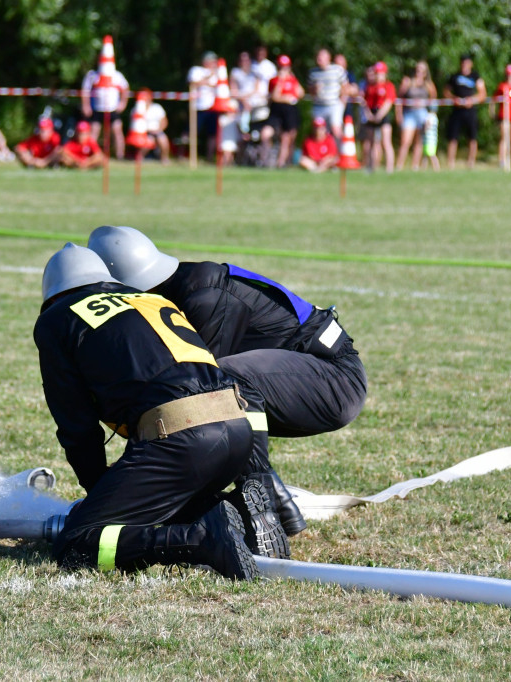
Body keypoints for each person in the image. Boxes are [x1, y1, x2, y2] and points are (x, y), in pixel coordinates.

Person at [88, 225, 369, 537]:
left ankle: (264, 498)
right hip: (306, 374)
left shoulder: (203, 295)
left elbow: (197, 395)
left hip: (334, 379)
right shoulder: (183, 286)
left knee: (218, 387)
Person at [35, 243, 290, 580]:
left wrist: (98, 496)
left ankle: (200, 538)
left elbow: (77, 427)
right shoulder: (151, 299)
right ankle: (219, 514)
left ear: (51, 297)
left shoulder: (57, 318)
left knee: (76, 544)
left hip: (182, 439)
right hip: (236, 429)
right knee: (158, 501)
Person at [444, 53, 487, 169]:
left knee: (472, 137)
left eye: (467, 62)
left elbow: (483, 94)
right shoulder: (454, 76)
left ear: (471, 64)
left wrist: (472, 100)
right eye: (463, 62)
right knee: (453, 137)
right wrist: (454, 99)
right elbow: (446, 92)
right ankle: (450, 163)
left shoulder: (475, 76)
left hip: (470, 110)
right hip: (457, 110)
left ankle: (471, 162)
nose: (464, 64)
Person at [81, 59, 130, 161]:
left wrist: (123, 103)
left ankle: (120, 156)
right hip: (97, 108)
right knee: (94, 132)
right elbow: (85, 91)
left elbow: (125, 89)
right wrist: (86, 106)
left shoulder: (117, 75)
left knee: (117, 131)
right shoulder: (92, 75)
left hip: (113, 108)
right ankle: (89, 155)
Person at [396, 60, 437, 171]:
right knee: (405, 141)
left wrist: (431, 116)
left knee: (419, 142)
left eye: (422, 70)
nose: (419, 72)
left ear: (425, 72)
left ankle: (415, 166)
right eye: (418, 69)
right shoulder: (408, 82)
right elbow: (399, 99)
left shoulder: (429, 85)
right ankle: (399, 166)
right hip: (409, 114)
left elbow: (433, 102)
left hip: (422, 114)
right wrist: (398, 114)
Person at [263, 55, 303, 168]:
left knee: (288, 137)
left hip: (290, 111)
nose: (283, 70)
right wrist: (281, 83)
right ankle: (266, 161)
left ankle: (283, 162)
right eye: (281, 67)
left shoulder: (293, 80)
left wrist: (292, 80)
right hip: (276, 111)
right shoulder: (274, 81)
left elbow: (300, 93)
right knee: (266, 134)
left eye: (285, 67)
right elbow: (275, 97)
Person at [307, 48, 349, 141]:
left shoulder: (338, 70)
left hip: (334, 105)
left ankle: (339, 152)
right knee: (318, 131)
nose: (319, 58)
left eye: (321, 56)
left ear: (328, 58)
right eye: (318, 56)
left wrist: (342, 103)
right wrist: (314, 89)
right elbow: (310, 90)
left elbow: (345, 87)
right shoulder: (313, 73)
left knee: (336, 130)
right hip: (319, 106)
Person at [363, 61, 396, 173]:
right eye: (376, 73)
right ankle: (371, 167)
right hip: (372, 114)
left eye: (380, 73)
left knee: (386, 142)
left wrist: (379, 115)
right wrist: (369, 115)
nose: (378, 75)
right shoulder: (370, 87)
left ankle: (389, 168)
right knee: (371, 142)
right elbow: (365, 103)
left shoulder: (388, 86)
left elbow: (389, 102)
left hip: (383, 114)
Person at [187, 51, 220, 160]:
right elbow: (193, 83)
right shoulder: (196, 70)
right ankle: (185, 154)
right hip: (198, 107)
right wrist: (208, 77)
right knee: (191, 132)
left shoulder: (218, 73)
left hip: (213, 107)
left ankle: (209, 157)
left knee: (212, 134)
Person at [492, 64, 511, 169]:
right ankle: (502, 160)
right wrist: (493, 113)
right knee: (504, 138)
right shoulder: (502, 87)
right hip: (504, 117)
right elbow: (494, 99)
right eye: (509, 75)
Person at [137, 88, 170, 163]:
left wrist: (158, 130)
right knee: (149, 140)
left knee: (163, 140)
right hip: (144, 132)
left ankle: (164, 158)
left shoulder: (157, 107)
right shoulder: (138, 109)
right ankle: (139, 158)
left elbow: (164, 121)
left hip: (158, 131)